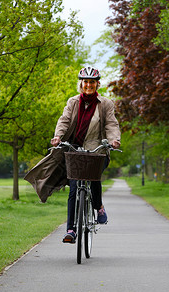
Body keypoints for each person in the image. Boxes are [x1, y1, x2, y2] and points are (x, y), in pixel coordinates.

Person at [50, 66, 121, 243]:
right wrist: (58, 136)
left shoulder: (105, 104)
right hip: (75, 150)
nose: (88, 85)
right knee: (74, 188)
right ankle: (71, 230)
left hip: (97, 150)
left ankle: (99, 207)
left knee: (94, 177)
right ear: (81, 83)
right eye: (85, 82)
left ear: (97, 84)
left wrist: (113, 140)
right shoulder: (73, 102)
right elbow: (64, 120)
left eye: (92, 82)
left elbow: (111, 124)